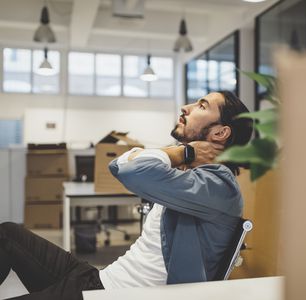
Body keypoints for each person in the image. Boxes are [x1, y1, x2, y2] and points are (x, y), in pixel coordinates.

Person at [0, 91, 252, 300]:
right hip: (101, 279)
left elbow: (127, 168)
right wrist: (186, 156)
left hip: (109, 294)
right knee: (8, 233)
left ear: (220, 133)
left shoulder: (217, 186)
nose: (186, 107)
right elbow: (124, 165)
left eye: (201, 105)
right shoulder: (195, 177)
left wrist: (185, 153)